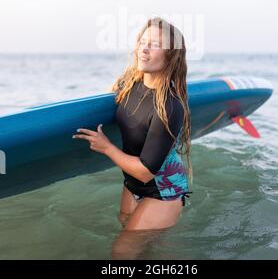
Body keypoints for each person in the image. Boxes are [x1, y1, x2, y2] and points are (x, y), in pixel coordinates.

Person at [73, 17, 193, 239]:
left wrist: (107, 147)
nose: (144, 50)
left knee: (123, 252)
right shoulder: (129, 82)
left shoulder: (169, 105)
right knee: (133, 236)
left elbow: (146, 171)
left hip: (163, 189)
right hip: (132, 184)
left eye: (155, 45)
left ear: (171, 56)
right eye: (142, 42)